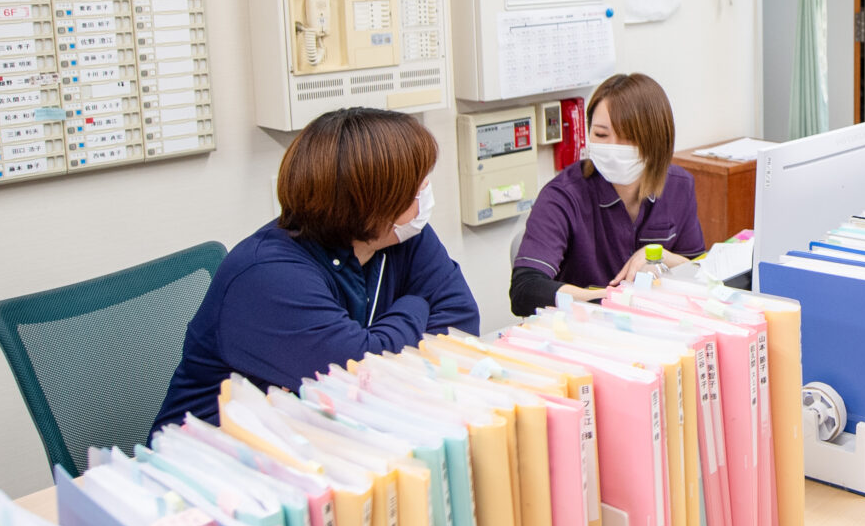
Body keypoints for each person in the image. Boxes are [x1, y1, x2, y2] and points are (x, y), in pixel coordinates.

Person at [155, 107, 479, 429]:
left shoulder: (400, 235)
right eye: (415, 187)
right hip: (224, 450)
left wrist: (380, 342)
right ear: (372, 204)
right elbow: (360, 372)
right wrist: (415, 305)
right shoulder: (267, 275)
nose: (425, 193)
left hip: (334, 431)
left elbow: (461, 323)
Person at [511, 72, 705, 316]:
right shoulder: (563, 196)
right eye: (601, 135)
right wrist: (609, 299)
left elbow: (701, 273)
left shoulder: (678, 186)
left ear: (657, 141)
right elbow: (525, 290)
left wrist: (660, 257)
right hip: (583, 327)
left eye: (628, 138)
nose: (613, 148)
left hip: (660, 323)